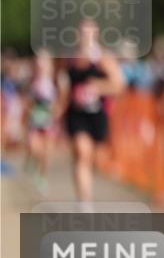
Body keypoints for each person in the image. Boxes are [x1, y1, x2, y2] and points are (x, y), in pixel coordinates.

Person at [57, 19, 125, 204]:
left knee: (94, 159)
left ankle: (85, 192)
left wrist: (96, 87)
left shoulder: (103, 58)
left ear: (95, 34)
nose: (85, 36)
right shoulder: (70, 58)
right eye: (82, 32)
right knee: (81, 151)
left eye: (89, 32)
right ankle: (84, 202)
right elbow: (63, 86)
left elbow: (118, 85)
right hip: (76, 114)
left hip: (97, 114)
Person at [25, 49, 59, 193]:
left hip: (49, 121)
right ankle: (33, 163)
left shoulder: (56, 80)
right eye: (38, 61)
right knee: (33, 146)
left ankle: (42, 177)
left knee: (47, 152)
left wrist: (55, 113)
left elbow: (62, 99)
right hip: (35, 119)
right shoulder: (32, 81)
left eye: (44, 61)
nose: (41, 64)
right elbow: (27, 101)